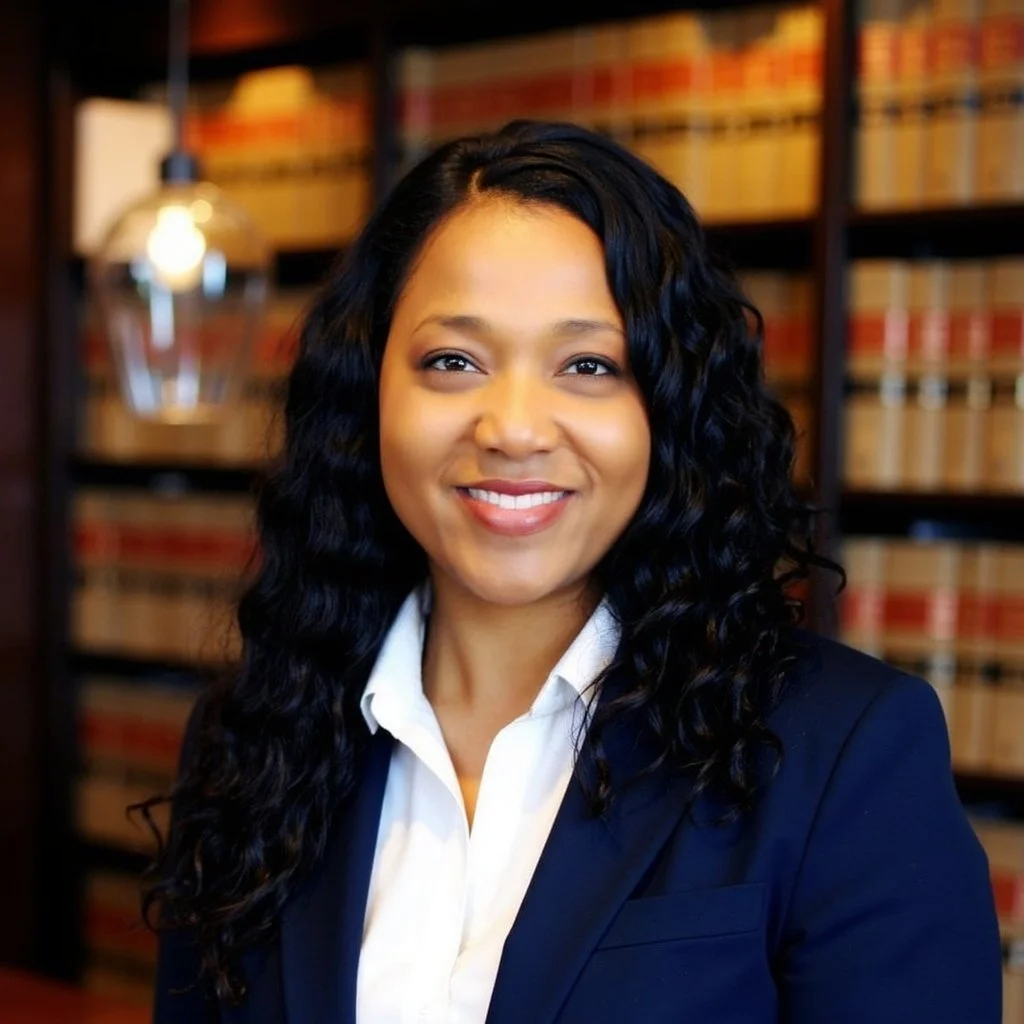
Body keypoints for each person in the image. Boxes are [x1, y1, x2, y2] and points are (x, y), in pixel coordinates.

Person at [145, 120, 1001, 1024]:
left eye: (588, 364)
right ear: (369, 395)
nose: (513, 428)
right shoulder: (255, 739)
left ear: (666, 409)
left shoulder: (844, 752)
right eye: (453, 361)